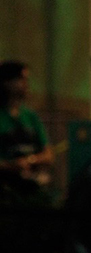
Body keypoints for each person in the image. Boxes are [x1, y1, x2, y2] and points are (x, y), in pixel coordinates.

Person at [0, 60, 53, 205]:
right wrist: (12, 166)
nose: (26, 84)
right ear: (7, 82)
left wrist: (30, 161)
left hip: (32, 188)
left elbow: (48, 155)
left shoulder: (31, 117)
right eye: (22, 79)